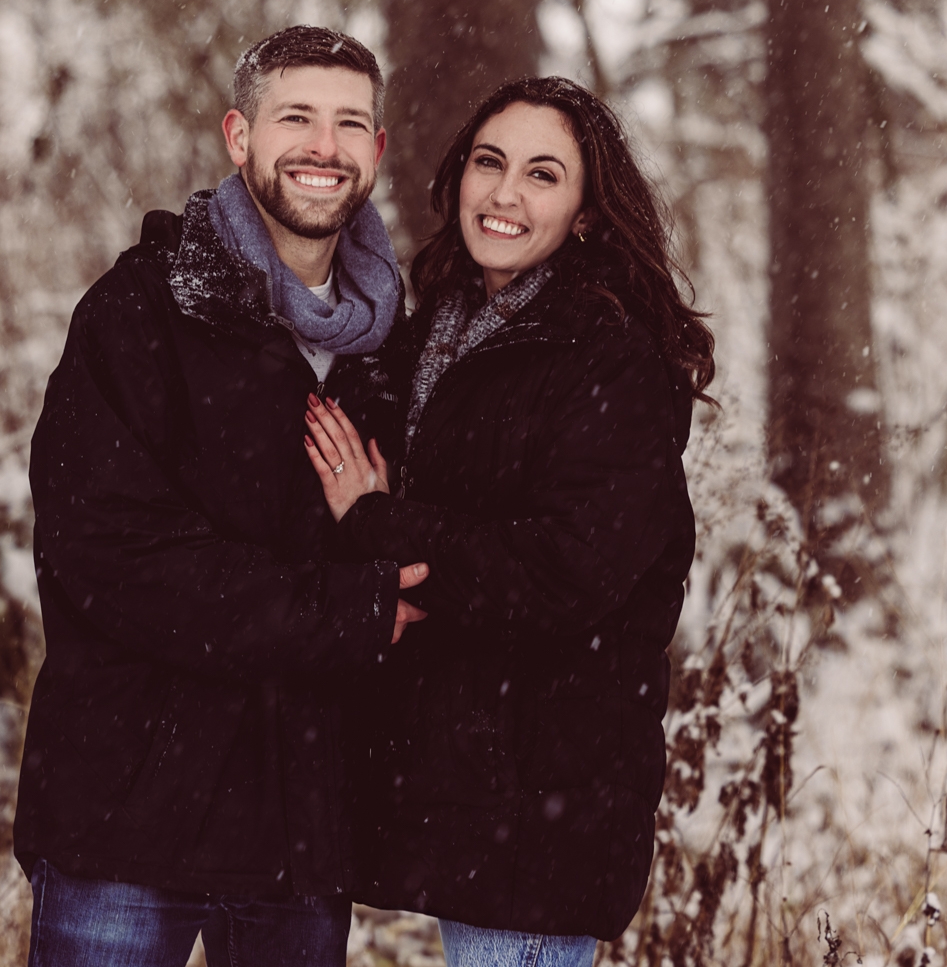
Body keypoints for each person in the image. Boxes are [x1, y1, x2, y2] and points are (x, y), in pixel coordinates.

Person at [14, 25, 428, 966]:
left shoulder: (391, 349)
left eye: (350, 124)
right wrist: (346, 606)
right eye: (297, 119)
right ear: (239, 137)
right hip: (127, 812)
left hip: (302, 828)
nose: (325, 149)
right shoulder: (142, 312)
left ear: (377, 150)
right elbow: (108, 555)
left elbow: (417, 548)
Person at [303, 77, 713, 966]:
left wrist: (380, 525)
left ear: (588, 214)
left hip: (547, 793)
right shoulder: (438, 330)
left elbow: (564, 572)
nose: (505, 194)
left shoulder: (610, 361)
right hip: (466, 784)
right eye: (490, 163)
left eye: (543, 175)